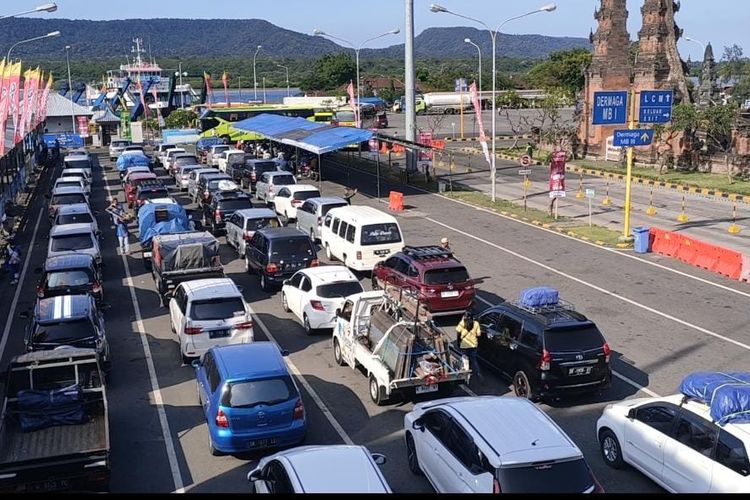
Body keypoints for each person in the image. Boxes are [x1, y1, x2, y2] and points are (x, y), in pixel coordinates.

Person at [456, 311, 482, 381]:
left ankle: (465, 374)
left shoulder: (462, 323)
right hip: (474, 345)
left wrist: (458, 342)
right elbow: (479, 334)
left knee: (464, 359)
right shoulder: (476, 323)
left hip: (464, 345)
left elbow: (458, 332)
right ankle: (478, 373)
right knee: (474, 360)